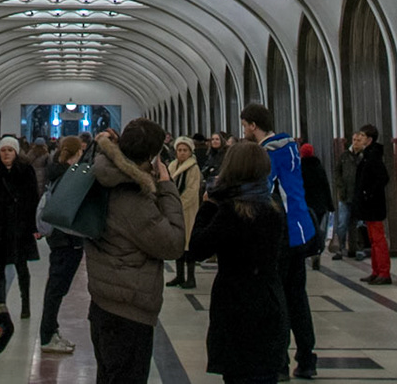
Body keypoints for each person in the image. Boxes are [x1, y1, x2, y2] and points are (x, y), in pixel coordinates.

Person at [84, 117, 186, 384]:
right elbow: (173, 243)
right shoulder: (132, 197)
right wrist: (166, 186)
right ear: (152, 156)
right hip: (128, 308)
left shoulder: (103, 174)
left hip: (103, 300)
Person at [187, 141, 290, 384]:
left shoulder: (230, 212)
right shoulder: (274, 207)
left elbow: (198, 248)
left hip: (236, 307)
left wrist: (207, 206)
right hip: (269, 303)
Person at [241, 104, 317, 380]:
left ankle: (279, 361)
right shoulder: (291, 147)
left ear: (252, 125)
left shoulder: (268, 153)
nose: (244, 131)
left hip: (281, 232)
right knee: (298, 295)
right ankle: (307, 357)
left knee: (278, 297)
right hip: (300, 229)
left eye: (244, 126)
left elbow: (262, 188)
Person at [37, 136, 86, 355]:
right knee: (56, 288)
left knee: (56, 287)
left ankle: (51, 330)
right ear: (79, 152)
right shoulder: (71, 175)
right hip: (67, 238)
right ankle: (47, 336)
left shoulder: (56, 171)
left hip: (58, 237)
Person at [0, 135, 40, 316]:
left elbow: (33, 199)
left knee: (21, 266)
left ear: (16, 152)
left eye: (9, 150)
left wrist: (32, 226)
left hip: (20, 226)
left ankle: (25, 305)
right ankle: (1, 305)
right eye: (3, 150)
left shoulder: (26, 170)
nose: (6, 154)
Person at [351, 125, 393, 285]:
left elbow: (383, 178)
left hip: (374, 206)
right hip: (369, 205)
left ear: (369, 140)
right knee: (373, 239)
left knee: (378, 239)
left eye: (361, 137)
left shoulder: (373, 157)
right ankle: (376, 271)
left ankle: (383, 272)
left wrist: (368, 194)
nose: (358, 140)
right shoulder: (367, 156)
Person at [168, 136, 202, 288]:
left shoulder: (193, 168)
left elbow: (192, 190)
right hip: (175, 210)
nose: (182, 153)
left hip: (188, 211)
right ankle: (179, 275)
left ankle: (191, 277)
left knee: (189, 243)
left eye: (185, 150)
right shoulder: (173, 166)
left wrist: (178, 204)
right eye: (179, 150)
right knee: (178, 243)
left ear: (190, 152)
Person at [298, 144, 333, 272]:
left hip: (305, 205)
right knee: (317, 228)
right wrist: (330, 204)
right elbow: (325, 186)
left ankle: (305, 251)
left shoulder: (299, 168)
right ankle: (316, 252)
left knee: (305, 230)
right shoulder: (318, 167)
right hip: (319, 205)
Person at [330, 133, 358, 261]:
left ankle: (355, 248)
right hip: (345, 195)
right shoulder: (344, 156)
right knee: (342, 223)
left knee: (356, 224)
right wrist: (340, 187)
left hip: (358, 196)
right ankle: (340, 248)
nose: (356, 142)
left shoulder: (362, 156)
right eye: (354, 140)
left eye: (358, 140)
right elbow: (337, 172)